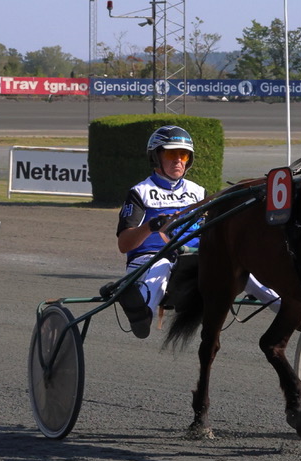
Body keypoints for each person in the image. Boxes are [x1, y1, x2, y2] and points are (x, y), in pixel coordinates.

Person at [116, 126, 279, 338]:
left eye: (183, 155)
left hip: (194, 258)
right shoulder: (140, 192)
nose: (178, 161)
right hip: (148, 260)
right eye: (171, 154)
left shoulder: (198, 192)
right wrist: (150, 226)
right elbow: (124, 244)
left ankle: (284, 307)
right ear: (156, 156)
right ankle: (142, 313)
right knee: (163, 263)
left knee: (237, 265)